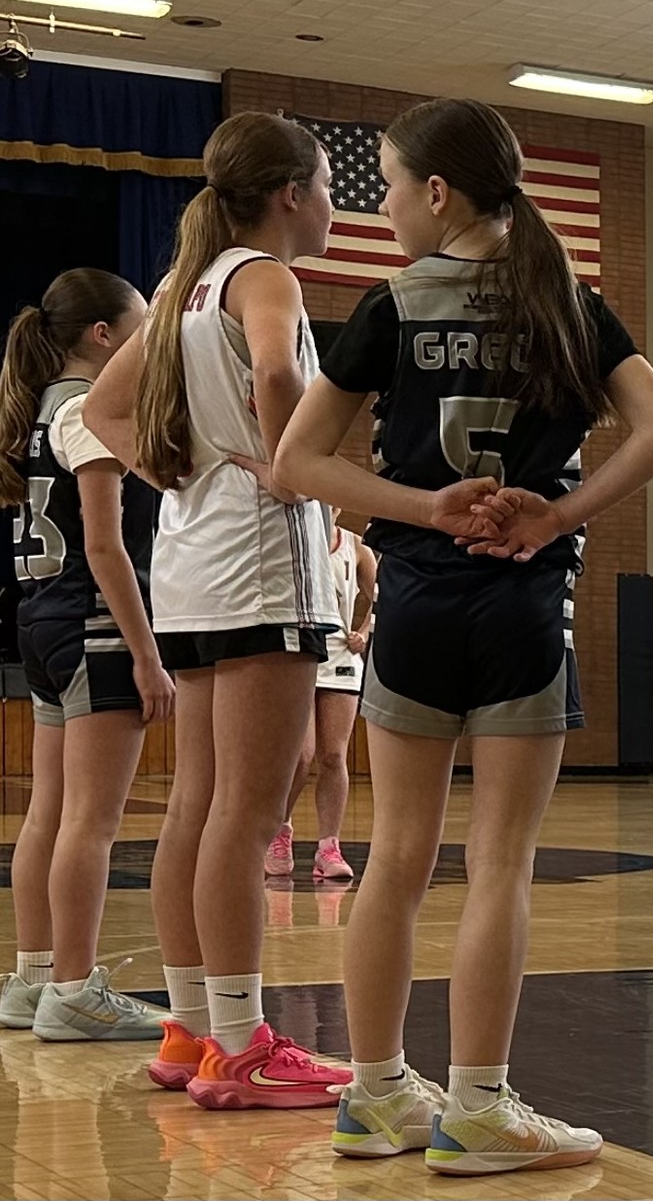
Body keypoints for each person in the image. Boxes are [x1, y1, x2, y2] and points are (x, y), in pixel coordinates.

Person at [272, 97, 653, 1170]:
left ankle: (374, 1097)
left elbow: (296, 463)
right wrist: (558, 512)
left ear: (439, 192)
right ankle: (479, 1108)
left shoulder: (391, 304)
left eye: (392, 186)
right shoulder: (570, 303)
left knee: (396, 858)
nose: (387, 207)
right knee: (500, 862)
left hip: (413, 602)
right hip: (521, 608)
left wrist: (425, 507)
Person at [84, 111, 350, 1106]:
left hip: (190, 566)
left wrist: (174, 472)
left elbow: (100, 410)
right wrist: (291, 462)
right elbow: (278, 371)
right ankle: (242, 1044)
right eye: (328, 188)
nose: (333, 207)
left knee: (197, 806)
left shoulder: (179, 285)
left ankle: (192, 1026)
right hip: (259, 565)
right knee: (246, 812)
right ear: (290, 195)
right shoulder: (264, 275)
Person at [0, 269, 173, 1042]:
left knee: (48, 811)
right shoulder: (89, 409)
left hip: (39, 619)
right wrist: (147, 653)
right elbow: (105, 545)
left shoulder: (40, 407)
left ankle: (33, 978)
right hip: (91, 624)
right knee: (91, 821)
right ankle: (74, 988)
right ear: (104, 335)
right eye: (140, 326)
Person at [268, 513, 375, 881]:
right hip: (300, 651)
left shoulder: (356, 546)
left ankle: (329, 846)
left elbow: (383, 596)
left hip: (341, 657)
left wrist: (365, 630)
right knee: (301, 755)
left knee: (333, 755)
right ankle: (279, 829)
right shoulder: (292, 538)